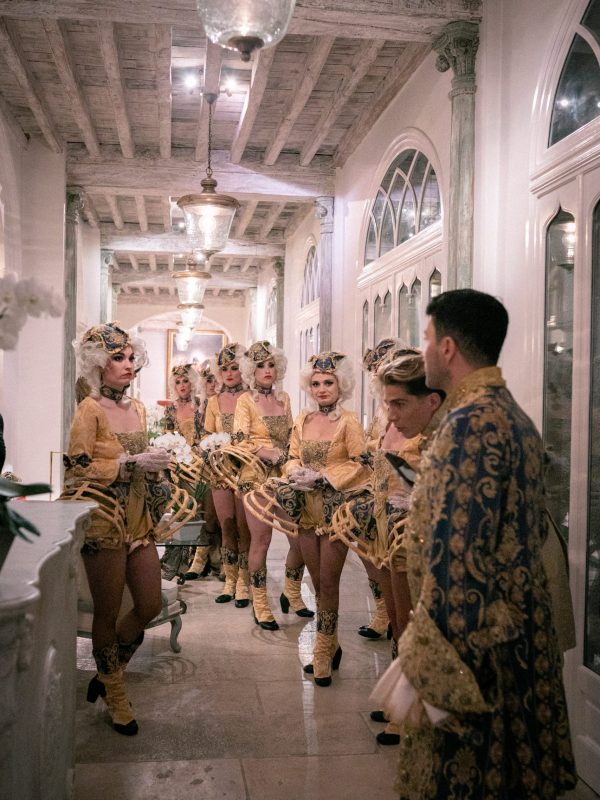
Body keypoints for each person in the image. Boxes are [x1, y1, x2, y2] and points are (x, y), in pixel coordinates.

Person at [371, 289, 577, 799]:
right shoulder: (513, 417)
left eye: (424, 339)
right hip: (514, 636)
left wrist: (430, 668)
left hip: (476, 654)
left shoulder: (469, 426)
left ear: (446, 348)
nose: (421, 353)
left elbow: (456, 562)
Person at [62, 323, 172, 736]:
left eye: (130, 357)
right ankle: (115, 688)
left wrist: (156, 465)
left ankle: (107, 674)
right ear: (97, 364)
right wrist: (127, 465)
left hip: (140, 518)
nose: (128, 366)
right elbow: (75, 470)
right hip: (105, 521)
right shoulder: (88, 409)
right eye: (117, 358)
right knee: (106, 612)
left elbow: (141, 459)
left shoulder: (139, 409)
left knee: (148, 605)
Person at [333, 351, 445, 743]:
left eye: (398, 402)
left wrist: (415, 497)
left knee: (413, 621)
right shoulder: (389, 423)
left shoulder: (430, 433)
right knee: (398, 619)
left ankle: (410, 707)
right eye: (387, 403)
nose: (391, 411)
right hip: (386, 530)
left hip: (414, 535)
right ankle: (401, 694)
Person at [245, 351, 371, 683]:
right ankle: (331, 640)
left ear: (340, 384)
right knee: (316, 582)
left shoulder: (349, 422)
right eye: (316, 383)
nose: (321, 389)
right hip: (304, 510)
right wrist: (296, 471)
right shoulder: (302, 419)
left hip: (335, 513)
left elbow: (362, 462)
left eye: (328, 382)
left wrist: (327, 477)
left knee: (329, 582)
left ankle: (323, 647)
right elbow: (291, 456)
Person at [234, 340, 304, 630]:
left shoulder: (285, 399)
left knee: (298, 538)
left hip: (285, 475)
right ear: (251, 370)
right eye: (260, 365)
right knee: (260, 541)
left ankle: (292, 591)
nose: (266, 370)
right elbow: (238, 439)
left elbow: (291, 436)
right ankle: (260, 603)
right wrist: (263, 452)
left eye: (271, 364)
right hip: (255, 476)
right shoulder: (245, 401)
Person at [196, 343, 252, 604]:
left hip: (246, 469)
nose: (229, 373)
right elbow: (206, 435)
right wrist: (211, 447)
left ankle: (244, 581)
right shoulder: (213, 402)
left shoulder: (252, 398)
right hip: (219, 470)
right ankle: (229, 581)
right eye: (224, 369)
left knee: (244, 527)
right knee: (226, 524)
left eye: (235, 368)